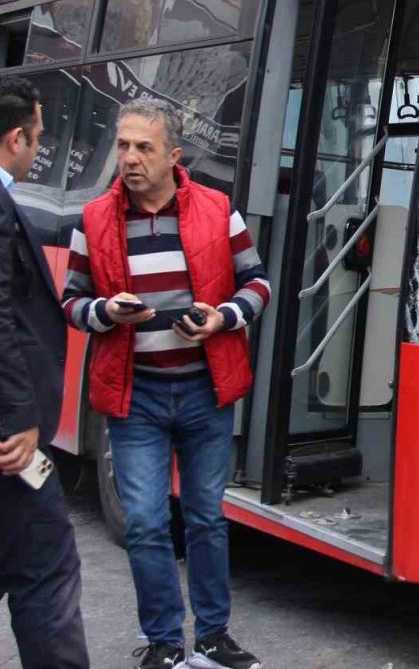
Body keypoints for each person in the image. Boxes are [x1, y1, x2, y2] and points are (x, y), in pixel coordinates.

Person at [62, 98, 270, 669]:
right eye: (123, 145)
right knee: (147, 523)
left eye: (143, 147)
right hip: (138, 396)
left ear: (173, 155)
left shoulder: (217, 209)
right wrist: (107, 313)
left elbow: (257, 284)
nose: (129, 158)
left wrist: (220, 319)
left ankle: (211, 638)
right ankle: (164, 643)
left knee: (206, 518)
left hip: (205, 391)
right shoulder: (94, 220)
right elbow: (73, 302)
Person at [0, 75, 90, 669]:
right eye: (38, 137)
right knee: (48, 564)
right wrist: (19, 419)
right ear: (15, 138)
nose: (39, 149)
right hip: (8, 438)